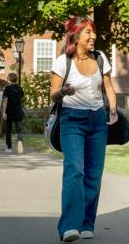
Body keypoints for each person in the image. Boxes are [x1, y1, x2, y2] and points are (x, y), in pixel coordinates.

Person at [50, 16, 118, 242]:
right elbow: (53, 93)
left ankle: (87, 223)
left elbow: (108, 86)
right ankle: (69, 225)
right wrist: (63, 92)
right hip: (72, 121)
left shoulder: (100, 58)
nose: (93, 36)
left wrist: (114, 110)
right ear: (76, 36)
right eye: (88, 32)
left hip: (98, 121)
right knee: (75, 170)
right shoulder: (63, 61)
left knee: (93, 175)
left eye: (93, 32)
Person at [1, 73, 24, 154]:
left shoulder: (7, 88)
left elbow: (5, 101)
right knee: (19, 130)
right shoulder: (20, 88)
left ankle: (9, 147)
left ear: (9, 79)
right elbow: (21, 98)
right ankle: (20, 142)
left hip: (9, 111)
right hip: (18, 111)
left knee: (8, 130)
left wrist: (4, 112)